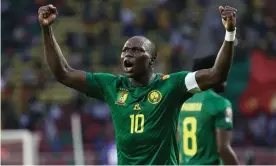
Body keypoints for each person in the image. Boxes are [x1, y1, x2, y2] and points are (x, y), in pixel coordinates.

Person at [38, 4, 237, 165]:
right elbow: (63, 73)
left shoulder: (172, 85)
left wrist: (229, 33)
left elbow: (215, 74)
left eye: (136, 50)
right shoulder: (112, 86)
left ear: (151, 59)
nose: (127, 54)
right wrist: (46, 29)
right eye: (125, 50)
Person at [178, 55, 240, 165]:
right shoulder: (219, 103)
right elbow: (223, 148)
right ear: (212, 74)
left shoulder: (181, 102)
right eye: (223, 72)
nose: (225, 78)